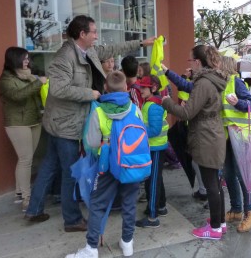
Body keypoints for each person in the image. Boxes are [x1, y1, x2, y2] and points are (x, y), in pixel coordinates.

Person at [24, 15, 154, 231]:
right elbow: (58, 89)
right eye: (93, 32)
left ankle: (34, 208)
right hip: (64, 124)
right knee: (70, 172)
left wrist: (140, 43)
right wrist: (91, 93)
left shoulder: (87, 50)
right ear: (82, 34)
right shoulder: (64, 57)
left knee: (48, 165)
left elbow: (110, 49)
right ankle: (72, 219)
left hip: (61, 122)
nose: (96, 36)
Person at [65, 71, 142, 258]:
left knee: (98, 204)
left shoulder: (99, 112)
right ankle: (127, 243)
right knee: (129, 204)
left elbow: (91, 142)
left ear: (105, 88)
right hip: (131, 165)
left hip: (106, 165)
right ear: (126, 88)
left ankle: (91, 248)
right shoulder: (134, 108)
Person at [161, 45, 228, 240]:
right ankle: (220, 222)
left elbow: (186, 113)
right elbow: (190, 89)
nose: (189, 64)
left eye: (190, 60)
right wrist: (169, 73)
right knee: (215, 182)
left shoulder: (204, 83)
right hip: (212, 134)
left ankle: (214, 228)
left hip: (206, 137)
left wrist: (167, 102)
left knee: (211, 185)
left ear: (198, 62)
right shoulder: (211, 81)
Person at [0, 47, 47, 211]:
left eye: (28, 58)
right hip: (17, 123)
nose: (27, 61)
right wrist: (38, 82)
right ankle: (27, 199)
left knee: (27, 158)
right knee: (26, 159)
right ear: (14, 60)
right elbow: (17, 96)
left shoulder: (29, 75)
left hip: (34, 120)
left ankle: (19, 193)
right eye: (24, 59)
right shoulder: (5, 80)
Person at [220, 56, 251, 232]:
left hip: (240, 135)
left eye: (218, 65)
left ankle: (250, 211)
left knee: (243, 175)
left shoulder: (236, 82)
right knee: (229, 173)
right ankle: (236, 209)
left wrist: (238, 103)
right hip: (228, 134)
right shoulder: (221, 83)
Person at [162, 63, 208, 202]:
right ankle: (204, 190)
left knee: (199, 163)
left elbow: (184, 89)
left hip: (195, 127)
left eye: (193, 61)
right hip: (191, 126)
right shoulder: (198, 84)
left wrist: (170, 103)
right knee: (195, 162)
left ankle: (206, 191)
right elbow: (183, 87)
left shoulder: (201, 85)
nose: (190, 66)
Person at [135, 75, 169, 228]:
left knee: (153, 181)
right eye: (140, 87)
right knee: (156, 178)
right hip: (154, 147)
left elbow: (154, 130)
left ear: (153, 88)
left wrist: (138, 131)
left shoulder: (153, 105)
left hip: (155, 147)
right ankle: (160, 207)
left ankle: (152, 217)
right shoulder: (150, 103)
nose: (140, 90)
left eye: (144, 87)